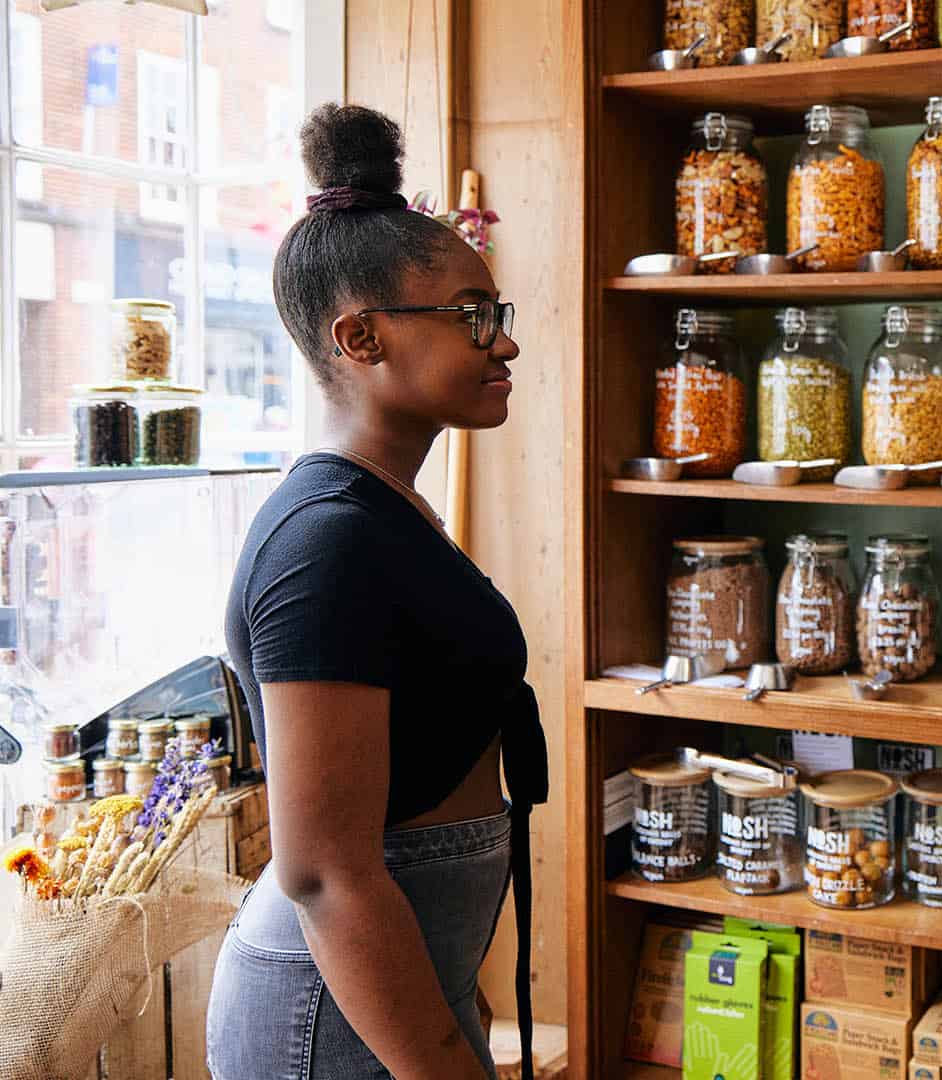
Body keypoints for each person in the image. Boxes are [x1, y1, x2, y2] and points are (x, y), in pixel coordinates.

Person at [208, 103, 545, 1080]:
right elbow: (325, 872)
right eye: (474, 316)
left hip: (394, 988)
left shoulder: (382, 512)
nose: (504, 343)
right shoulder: (329, 545)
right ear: (360, 337)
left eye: (499, 315)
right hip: (327, 1013)